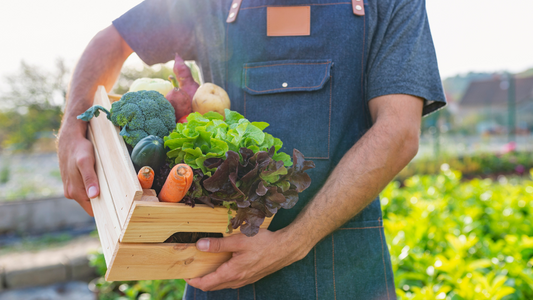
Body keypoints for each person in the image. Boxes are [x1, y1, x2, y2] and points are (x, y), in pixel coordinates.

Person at [57, 0, 446, 299]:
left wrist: (290, 245)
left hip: (346, 269)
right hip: (220, 266)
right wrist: (72, 129)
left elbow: (398, 132)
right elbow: (112, 41)